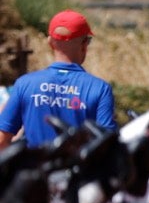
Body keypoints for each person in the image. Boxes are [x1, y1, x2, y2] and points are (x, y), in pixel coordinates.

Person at [0, 9, 116, 150]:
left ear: (50, 43)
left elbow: (2, 140)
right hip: (78, 170)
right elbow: (108, 145)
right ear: (84, 45)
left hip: (36, 170)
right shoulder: (100, 89)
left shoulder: (25, 84)